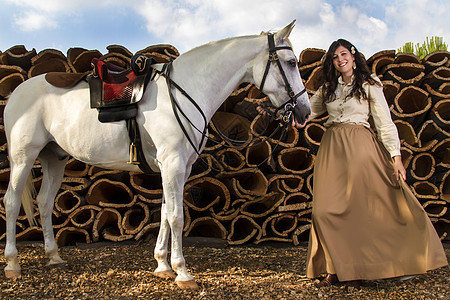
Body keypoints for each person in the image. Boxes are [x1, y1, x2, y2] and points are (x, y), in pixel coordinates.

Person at [296, 39, 448, 289]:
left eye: (343, 54)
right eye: (334, 57)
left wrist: (395, 156)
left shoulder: (369, 83)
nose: (339, 60)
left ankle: (349, 272)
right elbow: (307, 114)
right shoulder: (328, 88)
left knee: (357, 211)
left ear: (353, 56)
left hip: (360, 146)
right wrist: (280, 112)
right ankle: (337, 267)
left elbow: (384, 122)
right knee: (324, 211)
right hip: (332, 147)